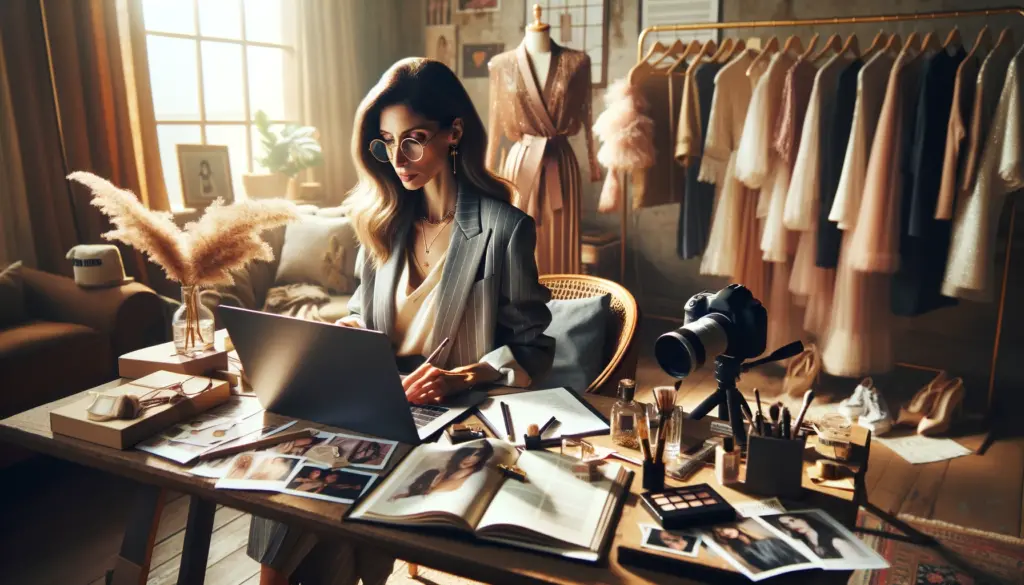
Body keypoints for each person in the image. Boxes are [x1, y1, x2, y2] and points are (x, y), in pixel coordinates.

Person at [250, 57, 554, 585]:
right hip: (376, 396)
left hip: (451, 412)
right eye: (386, 143)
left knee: (332, 490)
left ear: (454, 132)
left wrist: (463, 376)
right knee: (292, 451)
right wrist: (346, 331)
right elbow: (361, 311)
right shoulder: (381, 223)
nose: (399, 158)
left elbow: (533, 347)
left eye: (412, 139)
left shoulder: (505, 230)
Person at [389, 442, 495, 500]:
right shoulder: (438, 473)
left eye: (478, 455)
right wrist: (407, 495)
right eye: (470, 453)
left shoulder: (469, 473)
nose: (470, 458)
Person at [710, 524, 807, 572]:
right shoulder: (746, 551)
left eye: (723, 529)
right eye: (721, 533)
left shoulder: (764, 539)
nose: (725, 533)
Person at [774, 513, 861, 560]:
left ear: (802, 518)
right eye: (787, 525)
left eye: (792, 520)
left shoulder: (835, 541)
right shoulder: (804, 543)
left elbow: (857, 564)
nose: (792, 526)